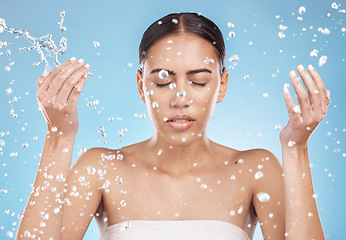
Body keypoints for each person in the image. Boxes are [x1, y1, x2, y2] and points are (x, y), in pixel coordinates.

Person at [16, 12, 330, 240]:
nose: (181, 98)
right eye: (163, 81)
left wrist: (296, 148)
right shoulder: (101, 168)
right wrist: (58, 136)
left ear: (221, 86)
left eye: (198, 81)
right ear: (142, 86)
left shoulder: (254, 169)